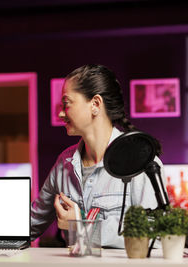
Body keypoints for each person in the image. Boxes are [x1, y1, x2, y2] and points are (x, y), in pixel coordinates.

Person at [31, 64, 165, 248]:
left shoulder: (141, 162)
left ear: (95, 104)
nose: (61, 113)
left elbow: (155, 236)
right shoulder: (64, 162)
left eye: (66, 103)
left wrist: (82, 225)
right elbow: (32, 223)